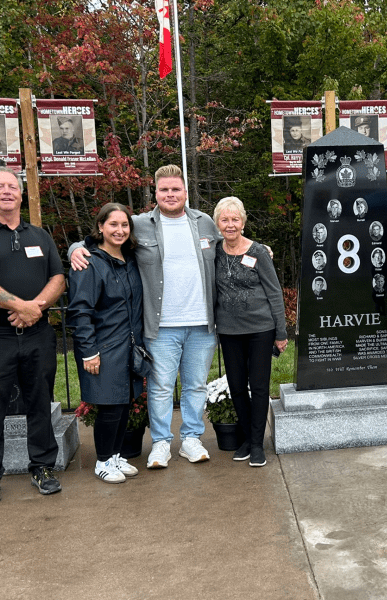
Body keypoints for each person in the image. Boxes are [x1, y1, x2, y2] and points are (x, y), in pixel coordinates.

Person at [70, 165, 221, 470]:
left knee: (195, 386)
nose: (170, 194)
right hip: (160, 327)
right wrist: (75, 248)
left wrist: (261, 249)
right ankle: (161, 442)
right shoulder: (139, 224)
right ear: (155, 193)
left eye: (175, 189)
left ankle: (191, 439)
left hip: (202, 324)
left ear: (185, 192)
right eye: (164, 189)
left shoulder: (204, 222)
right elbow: (103, 239)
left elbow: (230, 245)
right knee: (161, 387)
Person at [0, 167, 66, 502]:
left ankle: (43, 467)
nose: (7, 191)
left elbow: (58, 278)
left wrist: (35, 308)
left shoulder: (39, 235)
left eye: (12, 186)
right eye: (0, 186)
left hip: (38, 335)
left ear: (20, 195)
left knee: (40, 402)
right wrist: (21, 306)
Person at [67, 203, 144, 484]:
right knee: (109, 406)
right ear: (100, 226)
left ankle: (114, 456)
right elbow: (80, 310)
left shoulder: (130, 259)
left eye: (124, 225)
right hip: (103, 347)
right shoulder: (89, 263)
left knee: (123, 403)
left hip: (128, 346)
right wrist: (89, 352)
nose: (119, 230)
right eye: (113, 224)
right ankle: (102, 461)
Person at [213, 197, 288, 468]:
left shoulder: (258, 252)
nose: (230, 225)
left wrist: (281, 332)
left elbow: (274, 293)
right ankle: (246, 437)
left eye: (235, 219)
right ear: (217, 223)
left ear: (243, 222)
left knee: (258, 386)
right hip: (229, 331)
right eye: (224, 219)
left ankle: (257, 444)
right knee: (236, 386)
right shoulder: (213, 252)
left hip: (260, 329)